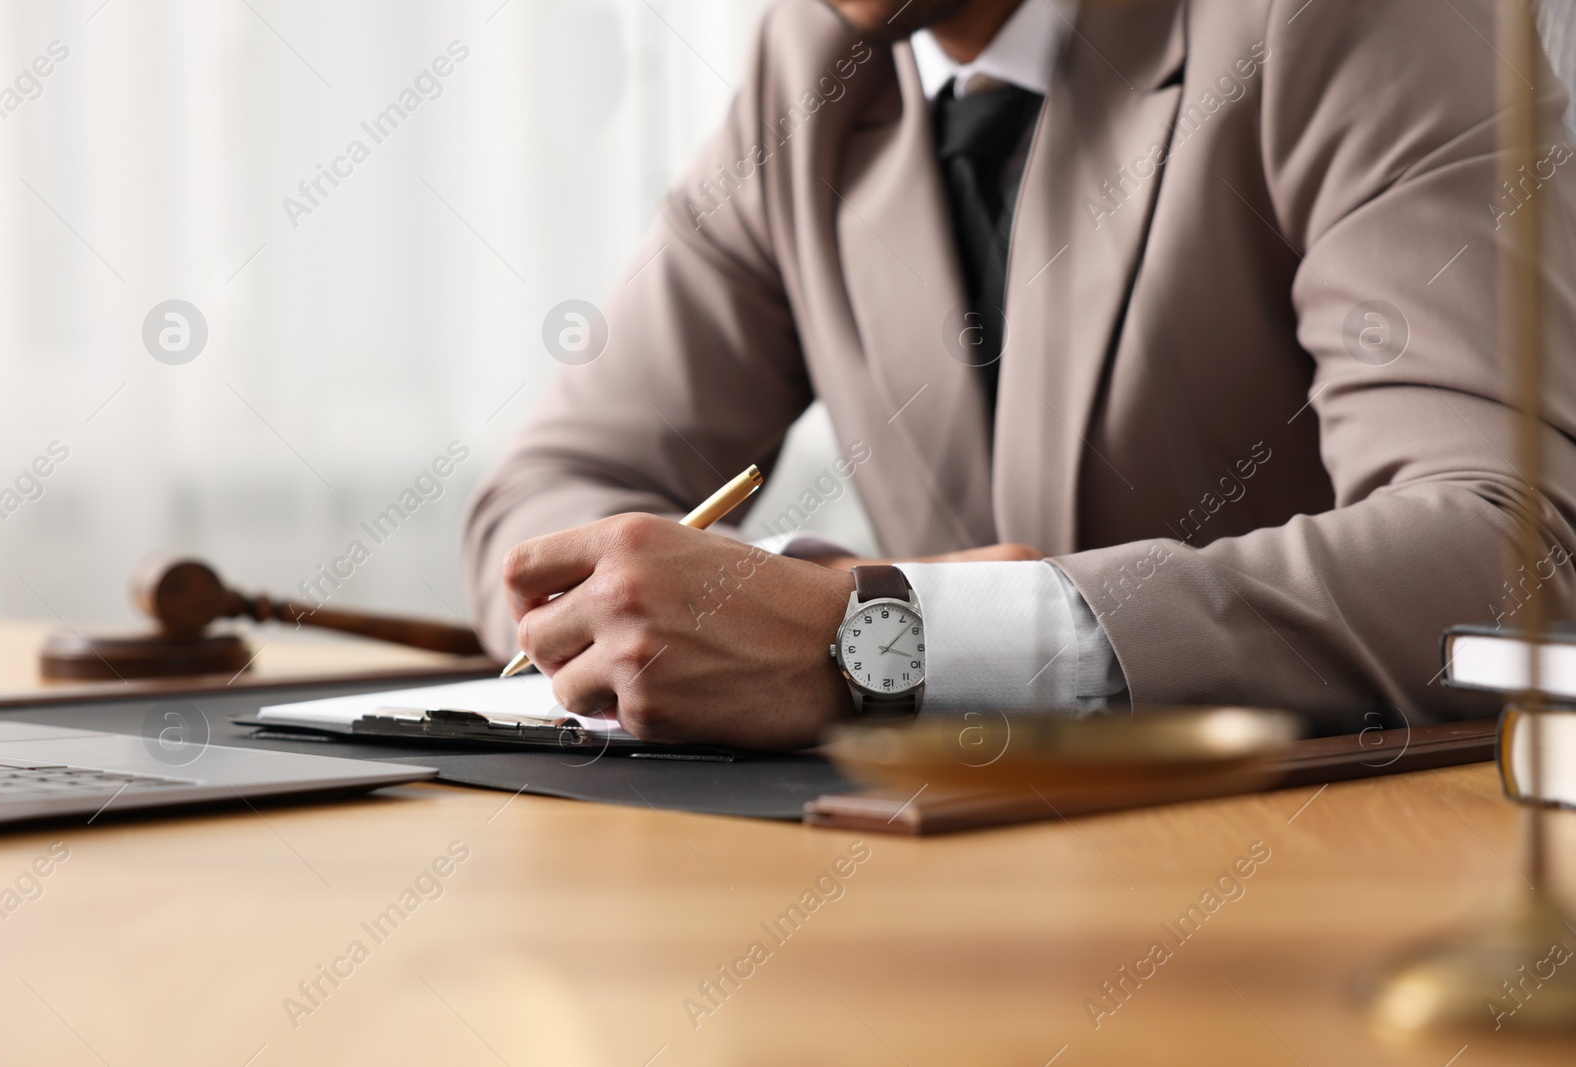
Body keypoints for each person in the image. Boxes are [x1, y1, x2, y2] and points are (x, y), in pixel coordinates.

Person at [463, 0, 1576, 750]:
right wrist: (745, 607)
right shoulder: (810, 65)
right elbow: (552, 491)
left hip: (1329, 894)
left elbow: (1511, 548)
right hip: (949, 898)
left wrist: (889, 636)